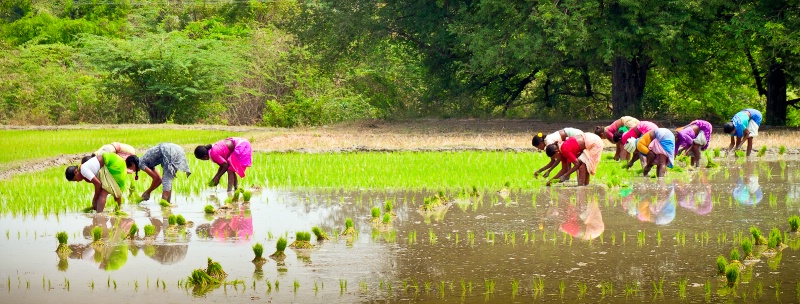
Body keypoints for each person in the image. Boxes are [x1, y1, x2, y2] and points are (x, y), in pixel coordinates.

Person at [65, 153, 139, 212]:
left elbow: (98, 184)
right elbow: (98, 183)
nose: (77, 181)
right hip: (118, 162)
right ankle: (118, 210)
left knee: (104, 192)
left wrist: (95, 199)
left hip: (113, 164)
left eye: (75, 179)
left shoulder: (83, 170)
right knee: (115, 190)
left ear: (76, 172)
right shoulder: (84, 168)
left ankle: (99, 216)